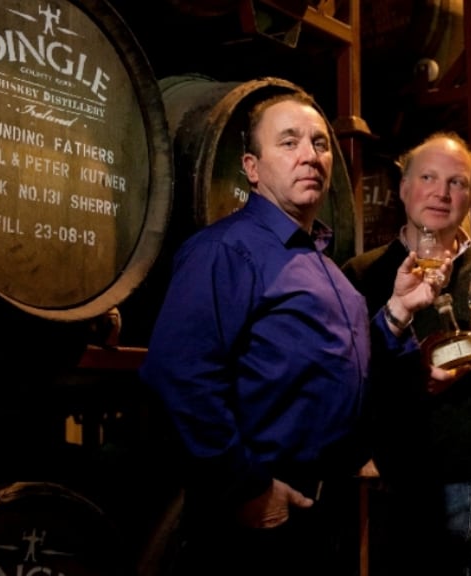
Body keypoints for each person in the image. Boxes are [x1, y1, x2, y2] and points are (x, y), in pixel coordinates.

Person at [139, 88, 445, 576]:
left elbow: (348, 363)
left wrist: (396, 312)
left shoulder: (322, 265)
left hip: (322, 511)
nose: (311, 156)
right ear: (251, 168)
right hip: (258, 516)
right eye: (289, 142)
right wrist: (246, 486)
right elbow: (179, 373)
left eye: (320, 144)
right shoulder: (225, 250)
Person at [341, 132, 471, 576]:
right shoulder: (362, 275)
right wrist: (412, 378)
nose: (441, 192)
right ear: (403, 188)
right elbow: (348, 383)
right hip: (416, 492)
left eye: (456, 182)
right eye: (428, 178)